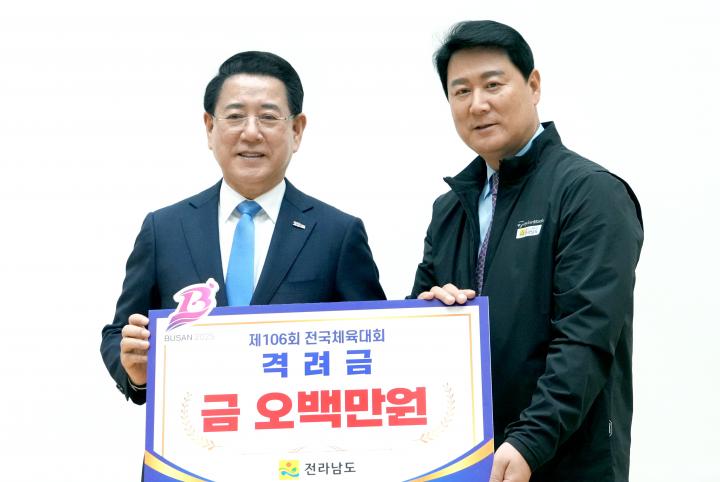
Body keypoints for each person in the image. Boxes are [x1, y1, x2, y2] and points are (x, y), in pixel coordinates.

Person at [411, 21, 643, 482]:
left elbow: (585, 337)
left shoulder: (589, 192)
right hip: (464, 461)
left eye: (493, 84)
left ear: (533, 86)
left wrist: (530, 441)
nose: (478, 104)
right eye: (461, 91)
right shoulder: (450, 208)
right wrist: (425, 313)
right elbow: (416, 337)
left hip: (563, 461)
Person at [101, 51, 386, 406]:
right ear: (210, 128)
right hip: (194, 431)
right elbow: (120, 332)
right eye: (235, 116)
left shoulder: (337, 234)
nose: (251, 133)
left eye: (268, 117)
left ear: (296, 130)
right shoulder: (165, 229)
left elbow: (378, 342)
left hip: (296, 430)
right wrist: (136, 373)